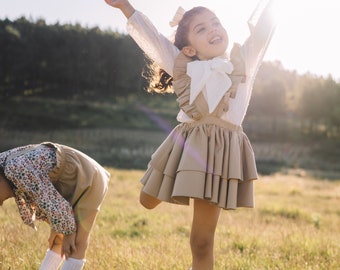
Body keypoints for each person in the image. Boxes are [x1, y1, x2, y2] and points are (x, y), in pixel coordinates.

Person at [104, 1, 276, 269]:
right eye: (202, 28)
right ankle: (175, 183)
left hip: (220, 154)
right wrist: (125, 6)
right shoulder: (182, 65)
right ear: (189, 48)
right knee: (146, 202)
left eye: (216, 23)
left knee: (201, 241)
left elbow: (264, 29)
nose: (213, 29)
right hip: (185, 146)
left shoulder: (244, 61)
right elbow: (154, 40)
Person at [0, 142, 110, 270]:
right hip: (62, 181)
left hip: (86, 175)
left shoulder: (15, 170)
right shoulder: (7, 168)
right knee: (58, 239)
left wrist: (69, 231)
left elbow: (49, 200)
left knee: (76, 242)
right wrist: (62, 228)